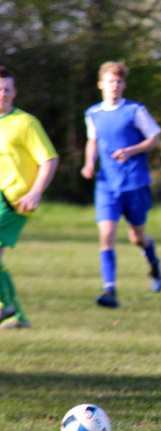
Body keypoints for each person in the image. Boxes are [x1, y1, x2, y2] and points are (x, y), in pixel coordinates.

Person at [81, 61, 161, 308]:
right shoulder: (93, 113)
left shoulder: (135, 111)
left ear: (124, 85)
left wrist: (131, 151)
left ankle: (154, 263)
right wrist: (88, 164)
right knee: (106, 234)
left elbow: (155, 139)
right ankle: (110, 291)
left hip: (134, 183)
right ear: (101, 85)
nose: (114, 86)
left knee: (137, 237)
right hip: (106, 185)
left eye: (118, 82)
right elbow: (92, 141)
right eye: (109, 81)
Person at [0, 65, 59, 328]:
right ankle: (16, 316)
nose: (2, 94)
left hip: (14, 200)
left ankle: (7, 306)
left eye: (6, 90)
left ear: (15, 93)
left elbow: (49, 159)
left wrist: (36, 191)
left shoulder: (25, 123)